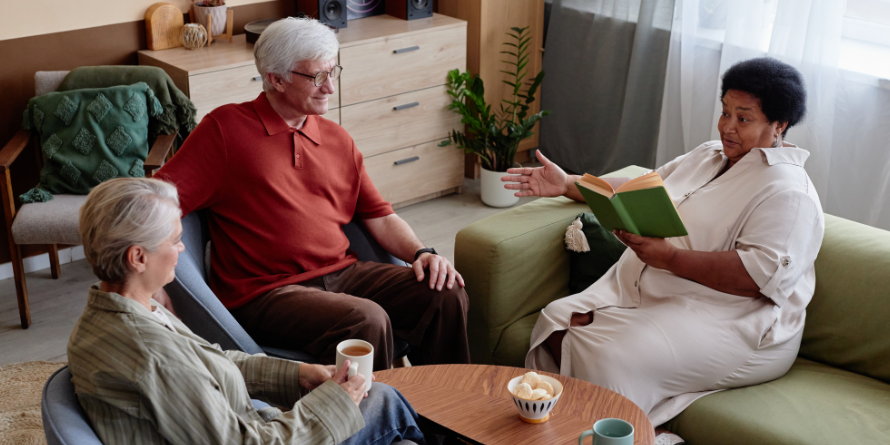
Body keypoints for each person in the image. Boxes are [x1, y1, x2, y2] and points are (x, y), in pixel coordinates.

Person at [502, 57, 824, 427]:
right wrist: (569, 183)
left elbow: (755, 278)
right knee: (558, 320)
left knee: (604, 351)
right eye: (724, 113)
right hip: (658, 289)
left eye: (744, 118)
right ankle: (567, 431)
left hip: (737, 320)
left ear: (779, 125)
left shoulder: (788, 192)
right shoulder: (708, 155)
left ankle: (621, 435)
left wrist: (668, 258)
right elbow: (641, 190)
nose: (727, 127)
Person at [153, 17, 470, 371]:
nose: (330, 88)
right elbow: (157, 199)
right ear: (276, 78)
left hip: (344, 273)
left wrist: (422, 253)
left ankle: (445, 413)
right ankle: (379, 422)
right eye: (317, 76)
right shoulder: (225, 130)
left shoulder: (337, 139)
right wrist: (152, 276)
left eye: (333, 72)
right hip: (266, 293)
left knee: (445, 292)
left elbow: (379, 215)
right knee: (366, 320)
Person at [68, 177, 429, 445]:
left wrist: (300, 373)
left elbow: (213, 361)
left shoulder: (116, 312)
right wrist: (337, 401)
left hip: (252, 423)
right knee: (382, 399)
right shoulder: (152, 356)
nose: (182, 250)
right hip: (258, 435)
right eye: (175, 240)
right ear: (138, 257)